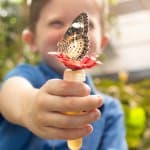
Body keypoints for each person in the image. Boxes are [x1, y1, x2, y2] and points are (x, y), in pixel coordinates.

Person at [0, 0, 128, 149]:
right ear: (32, 40)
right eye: (57, 23)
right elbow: (10, 93)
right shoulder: (28, 75)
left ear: (103, 43)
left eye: (88, 25)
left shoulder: (109, 111)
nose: (72, 35)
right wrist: (28, 106)